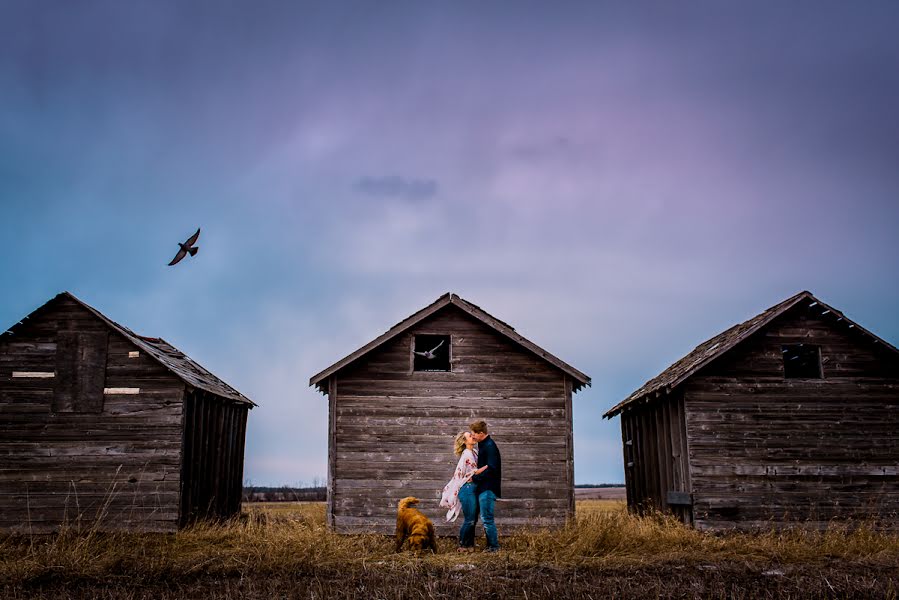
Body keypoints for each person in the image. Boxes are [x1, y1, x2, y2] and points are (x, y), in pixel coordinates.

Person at [439, 431, 486, 552]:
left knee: (473, 519)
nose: (473, 437)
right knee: (469, 519)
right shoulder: (467, 455)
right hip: (467, 489)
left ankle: (469, 546)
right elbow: (475, 472)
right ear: (465, 442)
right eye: (470, 436)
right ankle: (462, 546)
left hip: (474, 488)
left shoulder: (474, 452)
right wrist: (489, 466)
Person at [469, 419, 502, 552]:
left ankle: (494, 548)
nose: (472, 436)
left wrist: (476, 477)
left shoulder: (489, 446)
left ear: (481, 433)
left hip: (488, 488)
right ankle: (490, 546)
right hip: (483, 487)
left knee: (487, 519)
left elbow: (492, 468)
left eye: (474, 434)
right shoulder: (483, 444)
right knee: (484, 518)